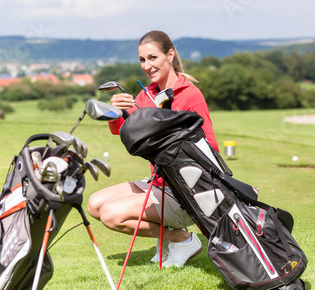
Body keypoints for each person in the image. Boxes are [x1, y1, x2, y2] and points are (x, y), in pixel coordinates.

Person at [87, 30, 219, 267]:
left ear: (170, 55)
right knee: (94, 205)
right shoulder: (147, 94)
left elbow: (210, 148)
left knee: (110, 214)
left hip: (186, 191)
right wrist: (115, 113)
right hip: (159, 182)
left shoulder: (190, 94)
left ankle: (180, 238)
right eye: (142, 60)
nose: (147, 66)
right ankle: (169, 238)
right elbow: (120, 129)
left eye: (152, 58)